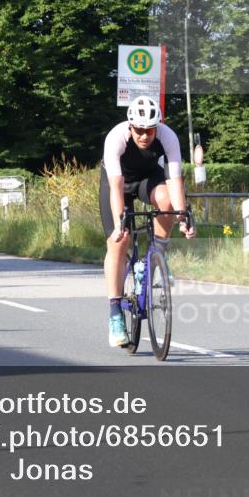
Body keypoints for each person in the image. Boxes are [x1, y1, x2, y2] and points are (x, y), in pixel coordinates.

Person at [100, 96, 196, 347]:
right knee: (119, 242)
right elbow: (116, 186)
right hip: (118, 184)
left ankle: (155, 256)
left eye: (150, 130)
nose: (144, 135)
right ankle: (115, 314)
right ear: (130, 126)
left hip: (148, 179)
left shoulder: (168, 136)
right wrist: (120, 224)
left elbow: (174, 180)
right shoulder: (116, 138)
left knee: (167, 201)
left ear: (157, 127)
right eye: (139, 130)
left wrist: (182, 217)